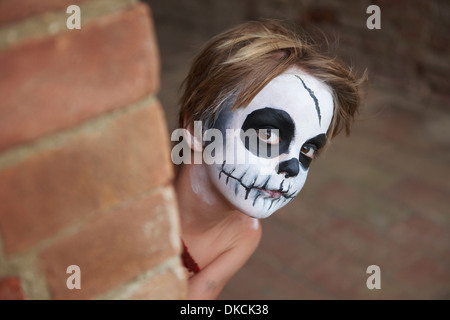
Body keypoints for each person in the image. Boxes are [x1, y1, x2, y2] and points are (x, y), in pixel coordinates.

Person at [172, 19, 366, 299]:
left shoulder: (244, 235)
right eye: (268, 134)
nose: (292, 166)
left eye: (307, 150)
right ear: (195, 129)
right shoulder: (132, 196)